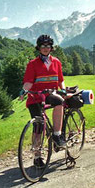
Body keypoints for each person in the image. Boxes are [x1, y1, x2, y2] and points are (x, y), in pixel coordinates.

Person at [19, 34, 66, 167]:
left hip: (50, 94)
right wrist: (24, 90)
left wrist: (63, 90)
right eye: (42, 46)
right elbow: (28, 82)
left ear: (51, 48)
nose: (45, 48)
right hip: (36, 97)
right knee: (38, 127)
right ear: (38, 48)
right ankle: (37, 157)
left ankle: (57, 135)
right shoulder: (32, 64)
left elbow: (61, 80)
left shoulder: (56, 62)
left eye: (48, 46)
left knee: (59, 101)